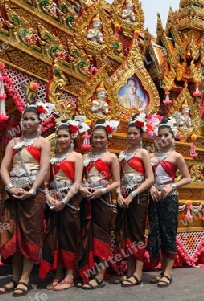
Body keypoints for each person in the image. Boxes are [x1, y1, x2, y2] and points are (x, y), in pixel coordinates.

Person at [0, 105, 50, 297]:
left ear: (38, 122)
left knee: (29, 234)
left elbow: (44, 168)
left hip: (32, 195)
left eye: (31, 118)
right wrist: (10, 187)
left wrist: (33, 190)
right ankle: (15, 278)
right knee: (12, 234)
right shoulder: (13, 142)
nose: (27, 122)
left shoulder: (43, 142)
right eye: (24, 118)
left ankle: (25, 279)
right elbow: (4, 167)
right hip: (12, 194)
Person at [39, 120, 83, 291]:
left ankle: (70, 275)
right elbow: (46, 183)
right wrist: (48, 196)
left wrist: (64, 201)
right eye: (59, 136)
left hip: (70, 202)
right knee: (54, 239)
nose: (62, 139)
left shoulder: (77, 157)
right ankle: (57, 274)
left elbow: (78, 182)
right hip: (53, 202)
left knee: (68, 238)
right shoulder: (53, 159)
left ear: (71, 137)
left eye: (65, 136)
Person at [148, 116, 191, 287]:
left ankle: (168, 272)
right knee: (156, 232)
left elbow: (187, 178)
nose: (163, 138)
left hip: (169, 198)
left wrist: (170, 187)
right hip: (154, 198)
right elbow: (147, 177)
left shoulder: (176, 156)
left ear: (172, 137)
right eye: (160, 135)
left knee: (168, 233)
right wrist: (150, 186)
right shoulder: (151, 155)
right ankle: (161, 270)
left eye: (167, 135)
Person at [78, 120, 120, 289]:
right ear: (91, 138)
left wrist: (101, 191)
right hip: (87, 199)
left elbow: (117, 182)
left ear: (107, 138)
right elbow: (79, 180)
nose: (98, 140)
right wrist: (82, 188)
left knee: (101, 236)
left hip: (103, 200)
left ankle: (100, 275)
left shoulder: (111, 157)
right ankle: (87, 271)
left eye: (102, 137)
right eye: (95, 137)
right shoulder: (84, 157)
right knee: (87, 236)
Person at [114, 113, 154, 287]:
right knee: (125, 233)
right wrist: (118, 194)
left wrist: (133, 194)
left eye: (134, 133)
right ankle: (129, 270)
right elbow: (118, 179)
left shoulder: (143, 153)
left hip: (138, 197)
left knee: (137, 233)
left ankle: (138, 272)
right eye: (129, 133)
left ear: (141, 135)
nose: (131, 136)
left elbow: (150, 178)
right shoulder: (122, 154)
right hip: (123, 196)